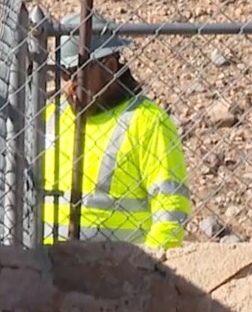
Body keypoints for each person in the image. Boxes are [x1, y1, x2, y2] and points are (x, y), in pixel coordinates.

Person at [40, 15, 191, 249]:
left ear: (109, 67)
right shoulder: (51, 117)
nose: (68, 85)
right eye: (63, 74)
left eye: (75, 73)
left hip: (117, 274)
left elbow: (170, 210)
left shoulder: (147, 122)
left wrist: (147, 270)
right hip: (45, 269)